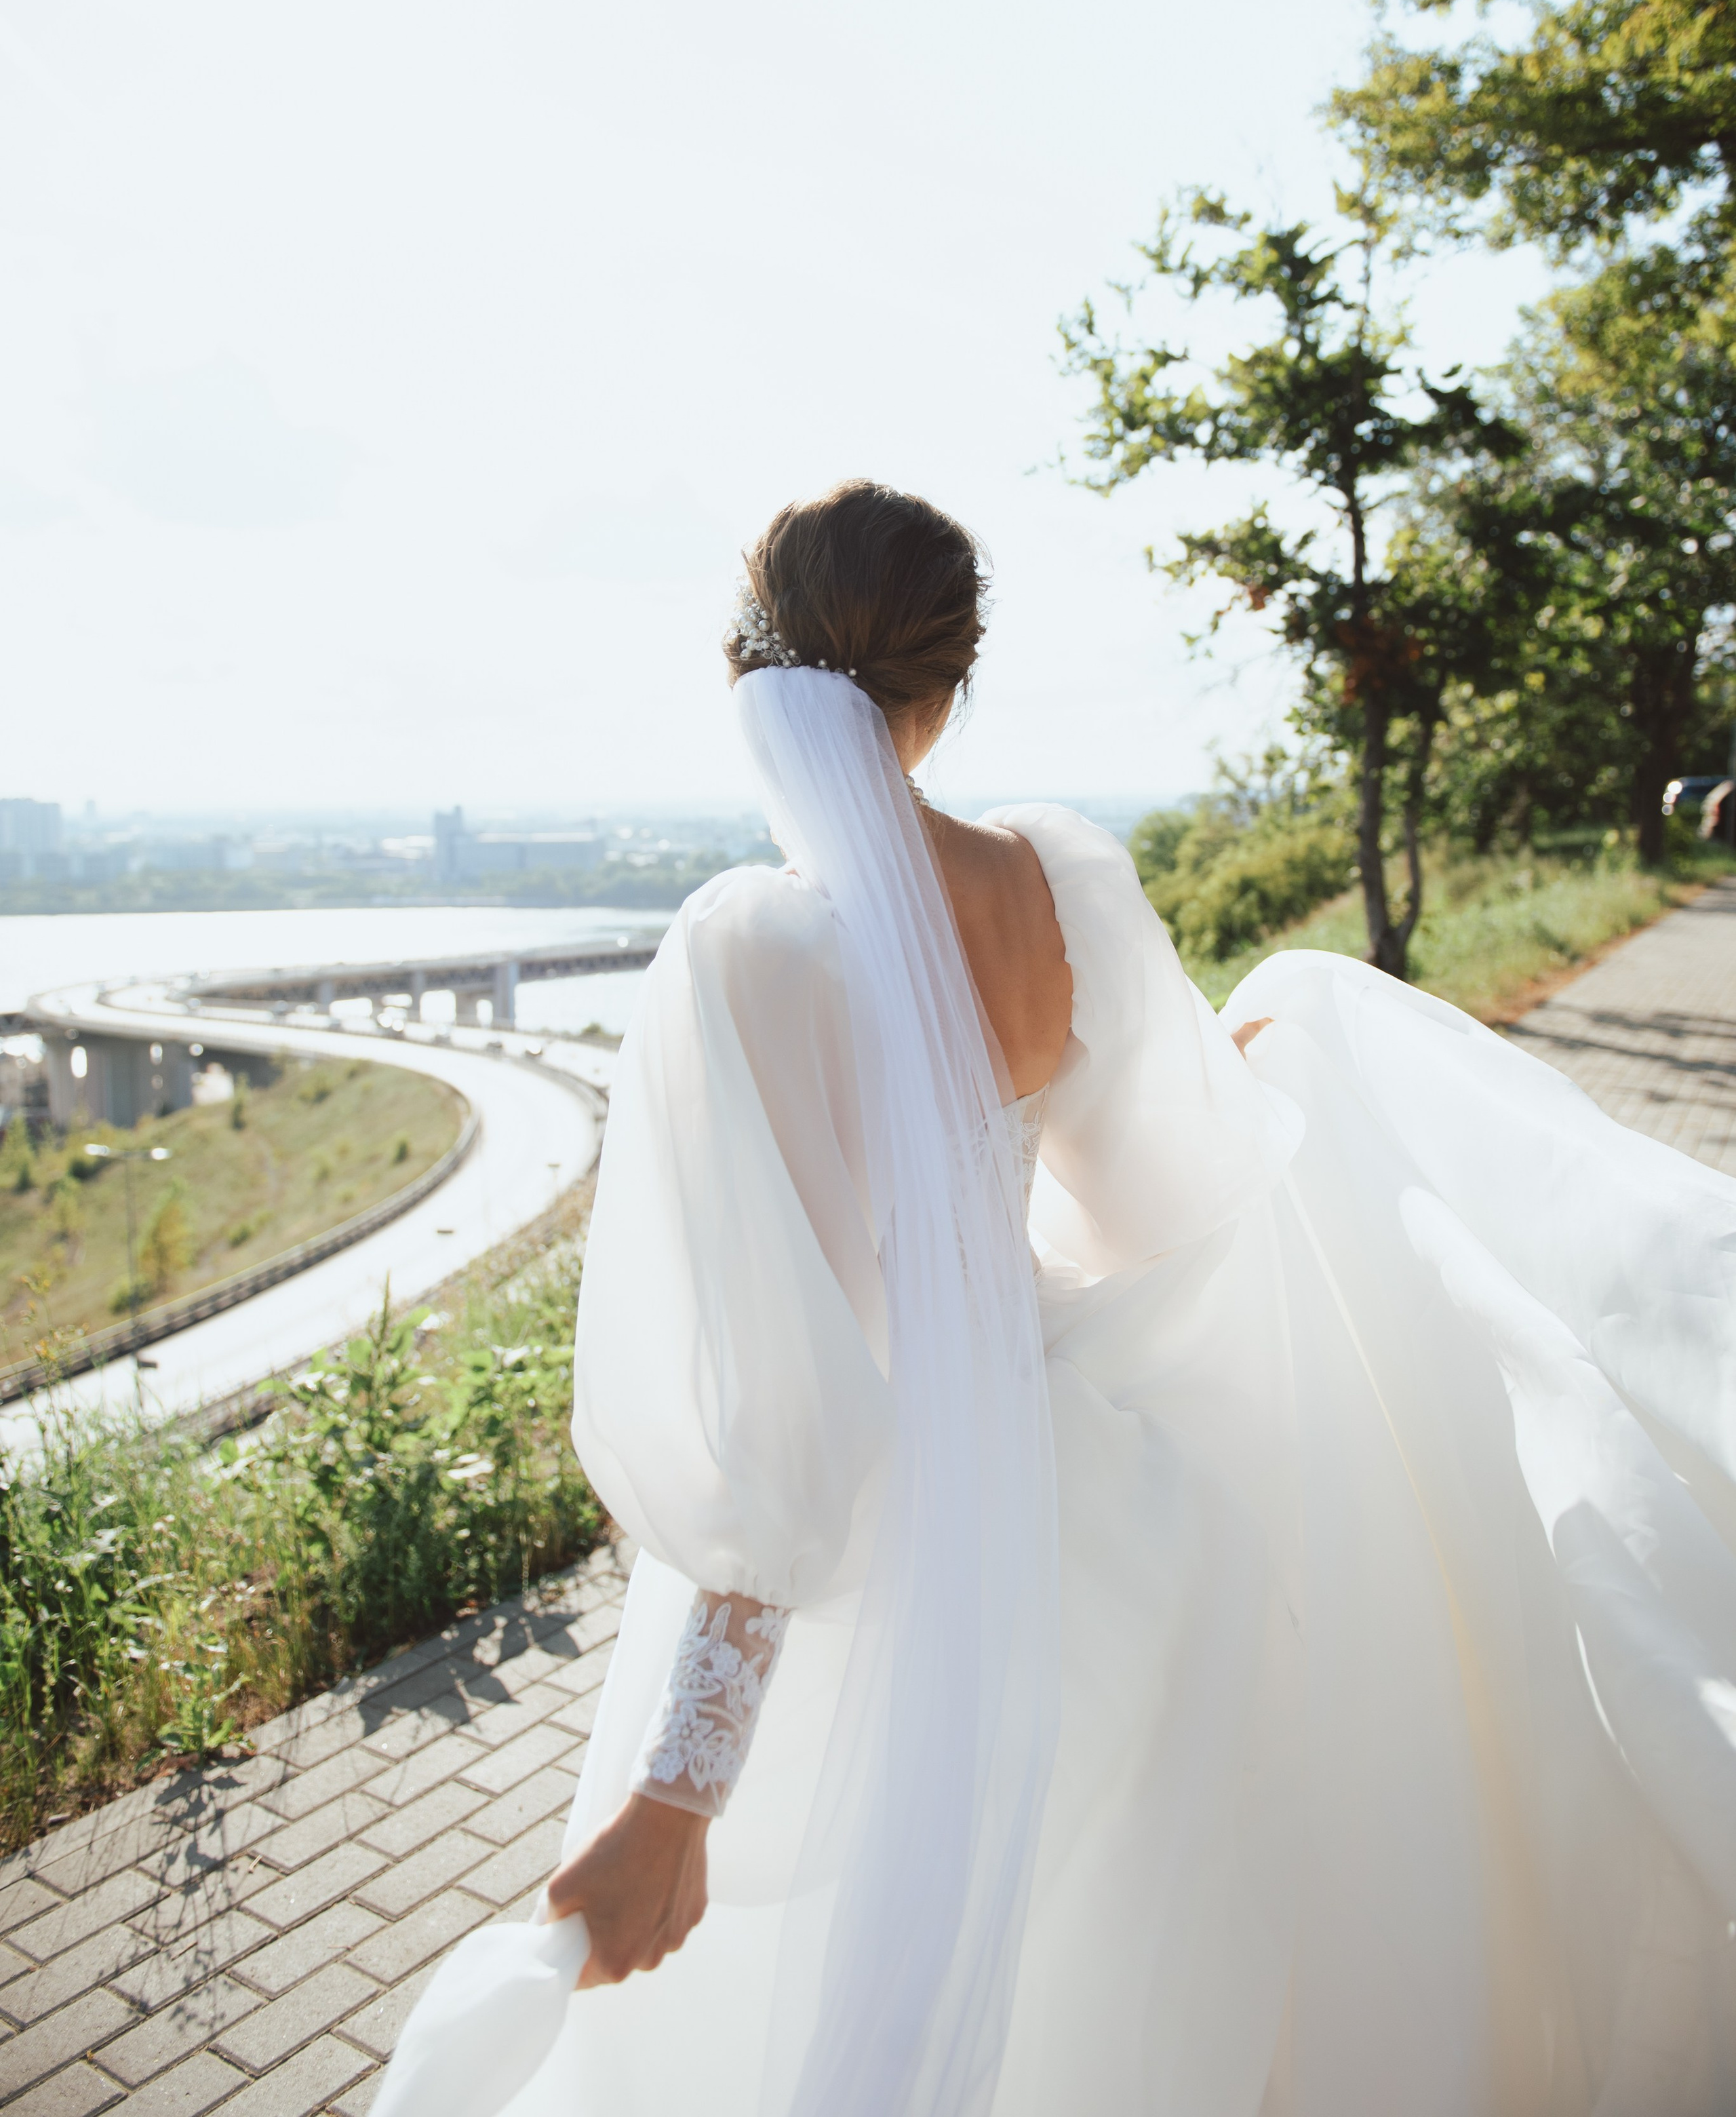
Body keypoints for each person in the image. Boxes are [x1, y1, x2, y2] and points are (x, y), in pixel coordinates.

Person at [434, 482, 1736, 2116]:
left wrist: (679, 1794)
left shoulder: (750, 949)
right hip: (1105, 1511)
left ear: (747, 676)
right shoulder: (1048, 876)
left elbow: (786, 1421)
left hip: (888, 1568)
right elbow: (1146, 1204)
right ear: (949, 687)